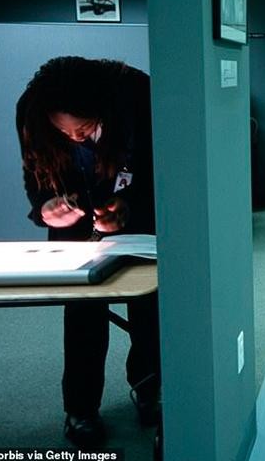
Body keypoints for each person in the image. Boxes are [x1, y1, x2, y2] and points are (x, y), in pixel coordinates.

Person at [16, 56, 160, 447]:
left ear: (102, 111)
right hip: (74, 220)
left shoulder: (138, 97)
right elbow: (35, 176)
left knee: (148, 304)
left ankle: (149, 387)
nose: (75, 137)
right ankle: (80, 409)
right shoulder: (32, 112)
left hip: (136, 215)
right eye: (64, 131)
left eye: (83, 129)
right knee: (82, 310)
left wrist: (128, 207)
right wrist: (45, 207)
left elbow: (159, 168)